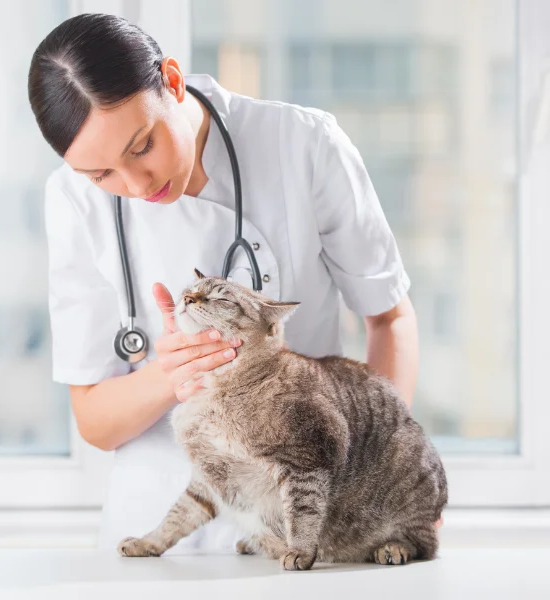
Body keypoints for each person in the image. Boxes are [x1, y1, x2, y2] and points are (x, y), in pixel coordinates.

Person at [28, 13, 438, 553]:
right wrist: (169, 376)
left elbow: (389, 317)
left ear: (172, 81)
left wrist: (377, 477)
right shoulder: (72, 201)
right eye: (101, 175)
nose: (135, 184)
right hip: (161, 538)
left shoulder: (303, 145)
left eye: (142, 146)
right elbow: (95, 421)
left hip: (315, 517)